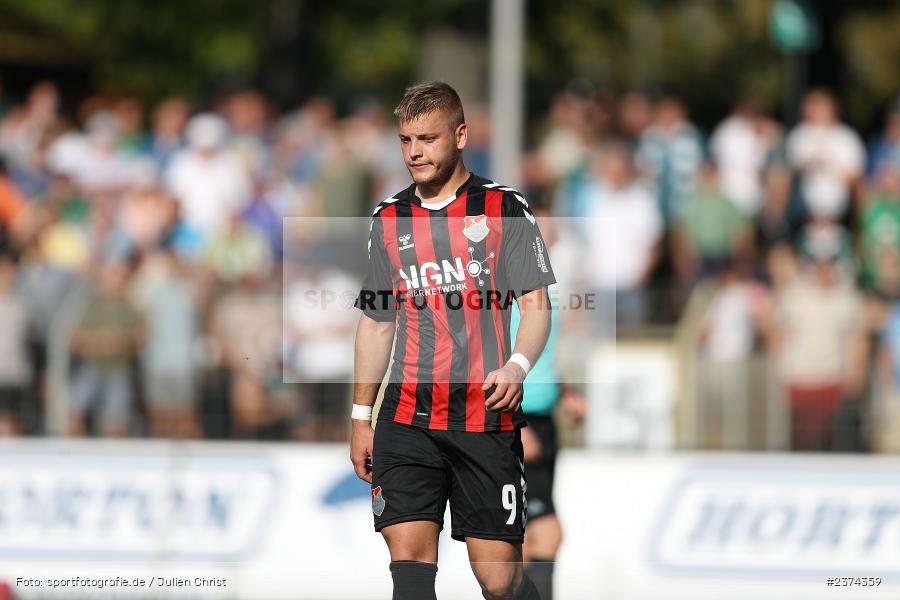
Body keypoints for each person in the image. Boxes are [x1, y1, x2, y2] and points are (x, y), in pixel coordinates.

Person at [350, 82, 555, 600]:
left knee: (499, 579)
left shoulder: (503, 208)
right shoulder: (388, 219)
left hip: (483, 413)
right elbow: (377, 323)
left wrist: (517, 365)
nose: (414, 152)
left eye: (427, 138)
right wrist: (359, 417)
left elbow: (535, 305)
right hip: (406, 416)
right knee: (411, 563)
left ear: (460, 135)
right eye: (404, 140)